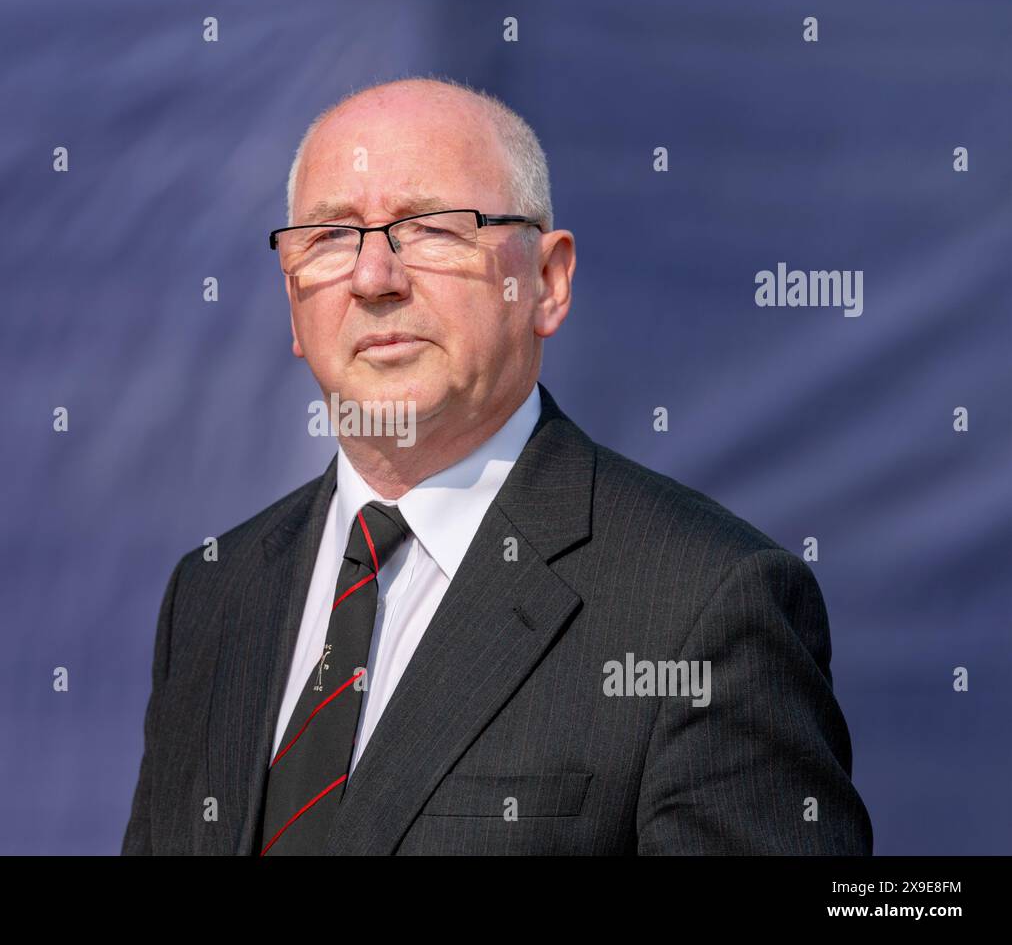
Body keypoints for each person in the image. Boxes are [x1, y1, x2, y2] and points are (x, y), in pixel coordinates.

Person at [121, 75, 873, 855]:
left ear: (547, 282)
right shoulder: (213, 594)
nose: (374, 278)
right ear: (293, 308)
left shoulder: (703, 606)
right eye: (331, 239)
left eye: (433, 229)